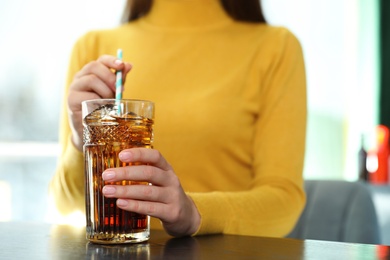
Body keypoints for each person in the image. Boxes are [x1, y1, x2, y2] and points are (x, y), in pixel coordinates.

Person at [50, 0, 307, 238]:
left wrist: (195, 213)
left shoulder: (276, 47)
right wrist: (80, 137)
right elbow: (68, 206)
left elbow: (283, 200)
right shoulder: (94, 48)